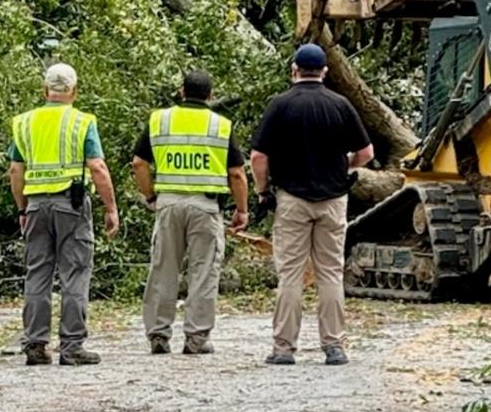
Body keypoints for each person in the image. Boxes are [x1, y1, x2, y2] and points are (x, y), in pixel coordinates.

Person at [250, 43, 374, 367]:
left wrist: (263, 191)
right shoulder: (340, 105)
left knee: (289, 275)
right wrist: (341, 165)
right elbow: (366, 154)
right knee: (330, 273)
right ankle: (334, 347)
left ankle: (283, 349)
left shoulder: (280, 105)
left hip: (292, 199)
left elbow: (258, 157)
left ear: (294, 70)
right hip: (333, 201)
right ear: (325, 71)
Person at [9, 63, 121, 366]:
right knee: (74, 273)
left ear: (45, 90)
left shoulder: (25, 122)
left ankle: (35, 343)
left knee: (37, 273)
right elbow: (97, 167)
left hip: (35, 206)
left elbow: (15, 170)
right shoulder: (82, 122)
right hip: (71, 207)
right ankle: (71, 346)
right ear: (73, 91)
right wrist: (111, 208)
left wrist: (22, 207)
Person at [133, 70, 249, 355]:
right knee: (204, 271)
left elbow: (139, 163)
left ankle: (159, 335)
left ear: (181, 92)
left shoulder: (160, 120)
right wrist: (242, 210)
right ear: (210, 96)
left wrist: (151, 196)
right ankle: (196, 338)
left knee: (163, 269)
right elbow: (236, 173)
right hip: (205, 206)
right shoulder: (220, 125)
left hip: (169, 203)